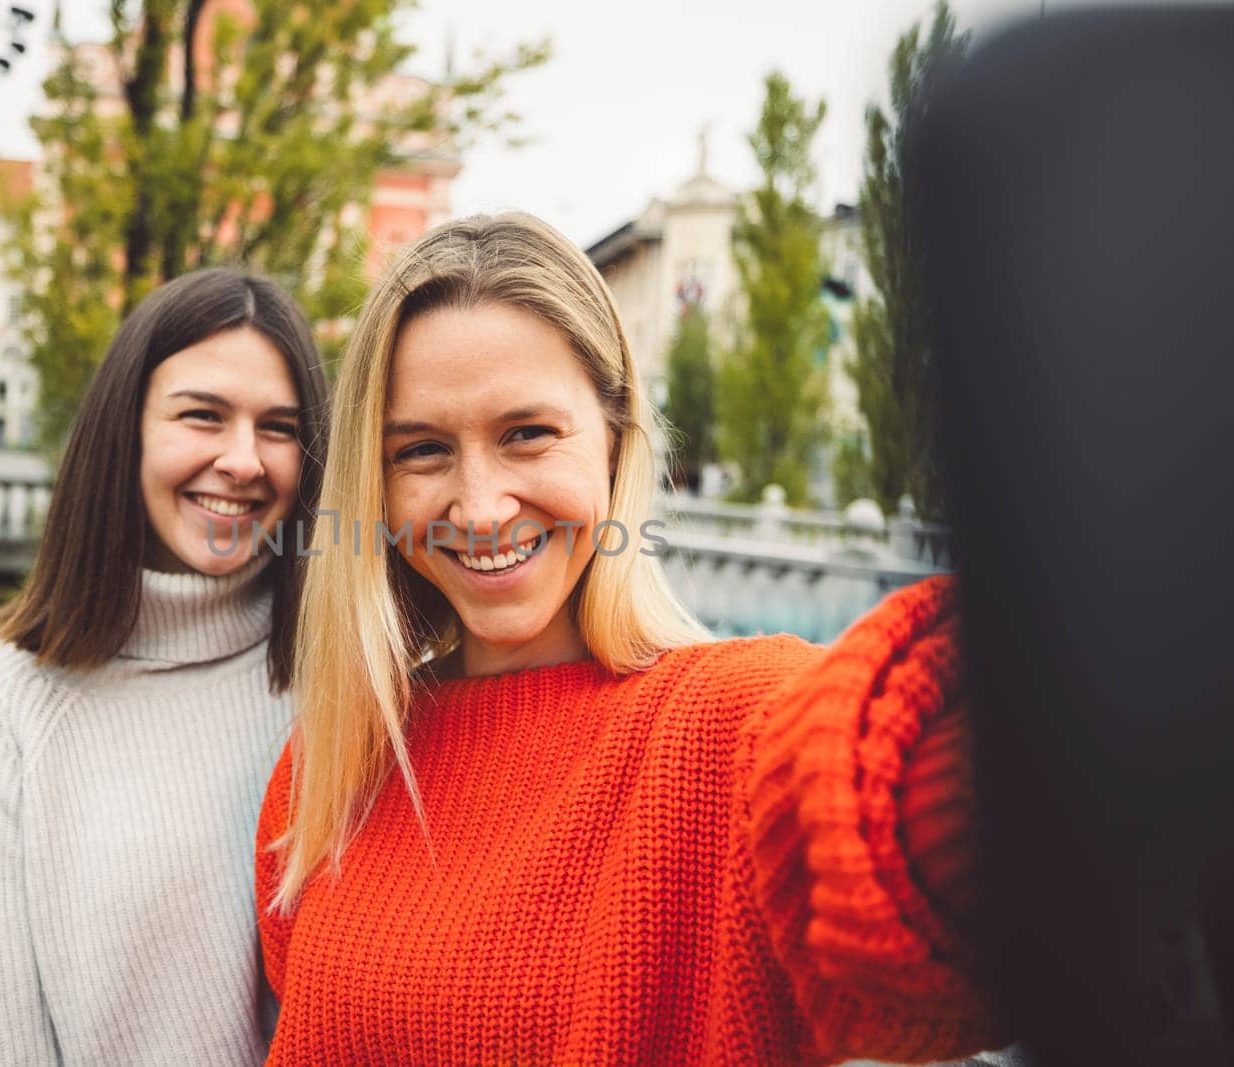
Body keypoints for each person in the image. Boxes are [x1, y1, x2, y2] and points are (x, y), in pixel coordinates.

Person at [254, 214, 1007, 1065]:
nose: (479, 506)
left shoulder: (731, 725)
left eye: (527, 433)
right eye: (422, 451)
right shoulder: (330, 765)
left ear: (616, 439)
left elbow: (963, 831)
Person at [0, 268, 328, 1066]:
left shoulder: (343, 677)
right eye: (203, 416)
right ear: (125, 431)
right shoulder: (18, 702)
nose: (243, 460)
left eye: (278, 427)